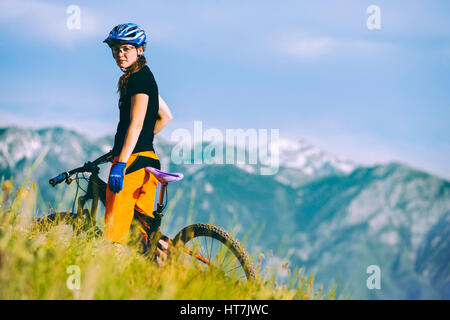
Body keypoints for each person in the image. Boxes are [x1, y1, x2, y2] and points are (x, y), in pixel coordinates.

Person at [102, 23, 173, 254]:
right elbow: (166, 116)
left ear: (139, 49)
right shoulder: (144, 76)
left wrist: (121, 163)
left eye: (126, 49)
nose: (120, 54)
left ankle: (110, 278)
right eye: (116, 50)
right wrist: (140, 139)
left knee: (115, 235)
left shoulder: (138, 80)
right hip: (149, 161)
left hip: (132, 163)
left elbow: (137, 123)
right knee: (140, 236)